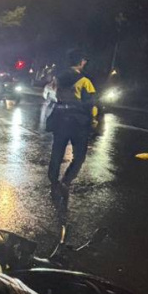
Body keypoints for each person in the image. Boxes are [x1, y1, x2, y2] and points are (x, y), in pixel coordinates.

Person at [46, 51, 97, 194]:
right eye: (84, 61)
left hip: (60, 119)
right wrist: (93, 121)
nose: (85, 63)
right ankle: (66, 180)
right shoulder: (85, 81)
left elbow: (50, 95)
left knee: (57, 152)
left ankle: (53, 180)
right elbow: (90, 103)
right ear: (81, 62)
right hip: (78, 123)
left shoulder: (58, 78)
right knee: (79, 156)